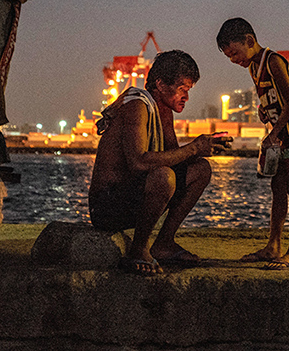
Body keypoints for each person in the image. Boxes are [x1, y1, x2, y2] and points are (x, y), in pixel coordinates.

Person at [89, 49, 230, 276]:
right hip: (107, 205)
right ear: (161, 85)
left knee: (201, 169)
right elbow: (138, 161)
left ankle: (164, 243)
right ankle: (138, 250)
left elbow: (174, 156)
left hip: (133, 193)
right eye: (182, 89)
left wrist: (205, 148)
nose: (186, 96)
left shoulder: (163, 110)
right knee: (164, 177)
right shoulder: (137, 105)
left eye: (188, 90)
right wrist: (194, 147)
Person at [217, 18, 289, 270]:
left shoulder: (273, 61)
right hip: (281, 136)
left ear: (249, 41)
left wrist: (275, 133)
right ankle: (273, 245)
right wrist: (263, 110)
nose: (233, 60)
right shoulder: (254, 67)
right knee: (277, 188)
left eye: (235, 52)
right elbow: (273, 97)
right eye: (229, 56)